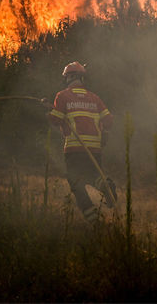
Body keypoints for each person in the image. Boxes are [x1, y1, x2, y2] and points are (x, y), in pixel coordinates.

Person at [46, 61, 116, 222]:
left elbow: (56, 120)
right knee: (92, 175)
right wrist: (105, 133)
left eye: (66, 77)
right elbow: (109, 120)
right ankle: (105, 184)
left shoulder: (62, 96)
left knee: (76, 181)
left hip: (74, 148)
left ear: (70, 77)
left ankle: (93, 218)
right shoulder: (94, 98)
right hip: (95, 148)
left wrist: (47, 112)